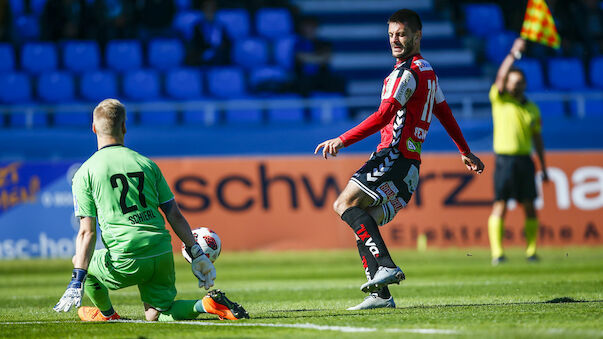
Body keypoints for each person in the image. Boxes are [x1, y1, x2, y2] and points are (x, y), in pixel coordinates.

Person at [315, 9, 484, 310]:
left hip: (393, 157)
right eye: (391, 34)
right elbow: (443, 111)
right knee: (362, 222)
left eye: (402, 34)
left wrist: (342, 140)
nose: (395, 39)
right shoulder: (427, 71)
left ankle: (386, 266)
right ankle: (381, 296)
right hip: (410, 168)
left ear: (418, 36)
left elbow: (383, 117)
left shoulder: (406, 74)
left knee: (342, 204)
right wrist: (464, 150)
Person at [53, 99, 249, 321]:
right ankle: (206, 304)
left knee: (80, 261)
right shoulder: (146, 164)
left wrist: (77, 278)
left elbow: (87, 232)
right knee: (157, 314)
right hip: (160, 252)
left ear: (94, 128)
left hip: (126, 257)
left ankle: (107, 314)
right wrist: (195, 252)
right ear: (124, 127)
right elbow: (173, 213)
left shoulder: (85, 173)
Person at [488, 38, 548, 266]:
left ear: (524, 84)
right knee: (500, 205)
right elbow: (500, 78)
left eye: (520, 82)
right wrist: (514, 53)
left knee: (530, 206)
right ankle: (498, 253)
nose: (516, 86)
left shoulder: (532, 108)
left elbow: (538, 139)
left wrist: (543, 166)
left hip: (525, 160)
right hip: (504, 160)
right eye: (513, 82)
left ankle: (531, 251)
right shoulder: (500, 100)